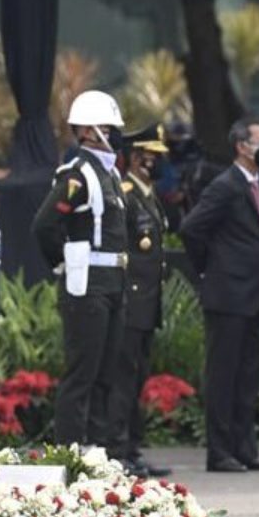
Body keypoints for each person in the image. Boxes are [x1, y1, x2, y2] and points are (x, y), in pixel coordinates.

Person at [32, 90, 130, 452]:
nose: (115, 133)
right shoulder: (78, 176)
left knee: (107, 374)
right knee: (82, 374)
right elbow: (44, 225)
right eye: (108, 127)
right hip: (87, 286)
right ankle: (69, 452)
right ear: (88, 132)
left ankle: (99, 451)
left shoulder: (111, 176)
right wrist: (64, 263)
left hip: (113, 285)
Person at [180, 118, 259, 473]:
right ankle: (220, 451)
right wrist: (208, 270)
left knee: (248, 374)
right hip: (227, 293)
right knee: (224, 375)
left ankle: (244, 448)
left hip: (253, 293)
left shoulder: (256, 184)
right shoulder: (226, 184)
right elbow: (192, 228)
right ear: (242, 146)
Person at [112, 123, 173, 477]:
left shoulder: (147, 194)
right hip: (131, 301)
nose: (157, 162)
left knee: (137, 378)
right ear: (135, 158)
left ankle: (133, 448)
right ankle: (119, 449)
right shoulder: (126, 193)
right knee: (124, 378)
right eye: (151, 155)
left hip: (148, 303)